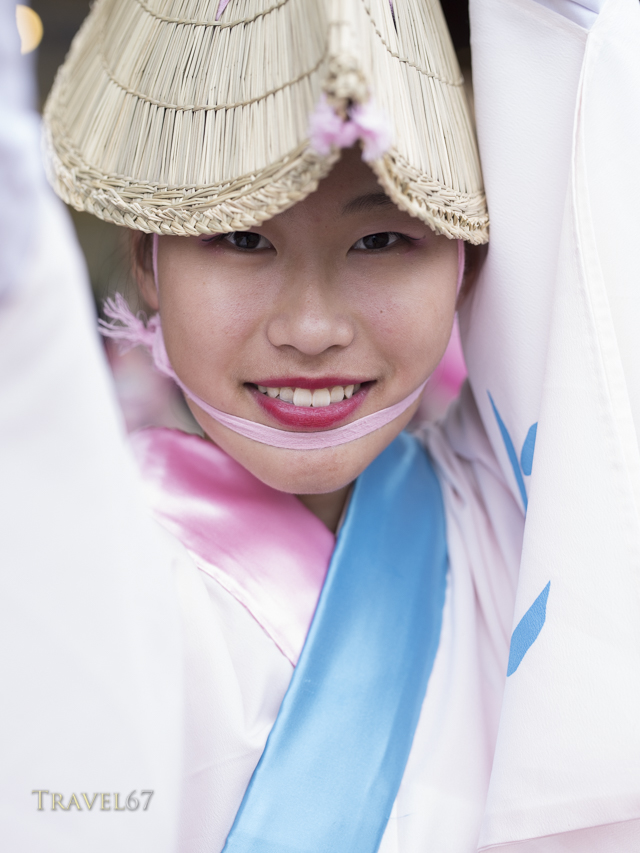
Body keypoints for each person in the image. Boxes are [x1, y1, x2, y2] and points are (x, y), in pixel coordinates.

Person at [3, 0, 640, 852]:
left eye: (382, 240)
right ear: (148, 255)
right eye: (240, 237)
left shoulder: (527, 537)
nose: (311, 327)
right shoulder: (69, 577)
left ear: (471, 258)